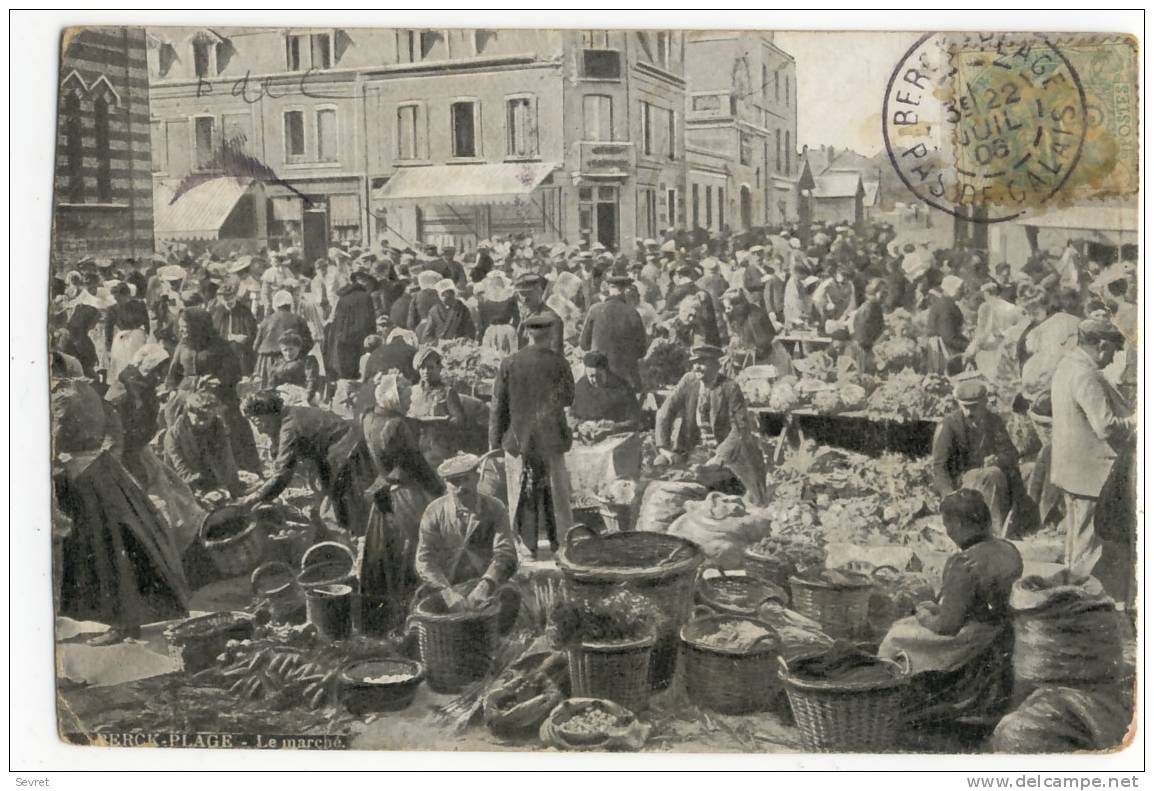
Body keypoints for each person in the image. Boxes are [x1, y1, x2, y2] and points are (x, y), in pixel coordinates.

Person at [52, 361, 189, 645]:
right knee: (120, 546)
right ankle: (125, 621)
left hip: (82, 474)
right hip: (104, 469)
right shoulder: (87, 390)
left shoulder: (63, 398)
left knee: (103, 553)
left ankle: (120, 623)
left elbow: (55, 435)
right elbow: (113, 428)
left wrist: (53, 461)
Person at [879, 489, 1022, 729]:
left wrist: (925, 615)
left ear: (957, 523)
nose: (947, 531)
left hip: (972, 640)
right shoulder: (1009, 549)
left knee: (895, 634)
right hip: (1001, 630)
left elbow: (948, 626)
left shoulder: (962, 563)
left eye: (947, 524)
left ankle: (884, 698)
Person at [1049, 318, 1135, 605]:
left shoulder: (1067, 365)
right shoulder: (1085, 374)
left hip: (1073, 468)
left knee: (1077, 542)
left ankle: (1071, 599)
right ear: (1101, 345)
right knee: (1090, 545)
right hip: (1091, 472)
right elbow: (1106, 426)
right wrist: (1136, 421)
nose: (1112, 358)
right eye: (1112, 351)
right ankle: (1082, 605)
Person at [358, 373, 444, 635]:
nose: (409, 400)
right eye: (405, 396)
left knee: (384, 556)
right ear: (393, 396)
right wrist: (441, 490)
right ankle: (414, 618)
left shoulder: (368, 418)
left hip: (384, 494)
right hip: (406, 496)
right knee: (419, 551)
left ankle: (383, 620)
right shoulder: (396, 425)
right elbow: (417, 466)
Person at [489, 313, 575, 557]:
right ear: (549, 334)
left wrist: (495, 442)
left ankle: (527, 546)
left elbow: (498, 406)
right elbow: (569, 398)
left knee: (521, 492)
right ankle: (562, 545)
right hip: (551, 439)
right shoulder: (559, 363)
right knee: (556, 494)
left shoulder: (509, 362)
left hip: (518, 440)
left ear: (526, 333)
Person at [238, 391, 373, 534]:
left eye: (259, 423)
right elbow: (280, 452)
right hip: (341, 449)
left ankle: (357, 536)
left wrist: (256, 497)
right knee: (334, 500)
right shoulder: (288, 414)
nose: (259, 431)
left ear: (269, 413)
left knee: (349, 506)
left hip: (346, 452)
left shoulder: (289, 426)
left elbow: (283, 473)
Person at [654, 344, 766, 504]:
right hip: (695, 451)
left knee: (712, 486)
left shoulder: (729, 387)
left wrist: (720, 456)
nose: (696, 367)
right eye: (694, 362)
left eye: (702, 362)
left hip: (726, 453)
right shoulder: (689, 381)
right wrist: (664, 448)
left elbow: (740, 427)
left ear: (716, 364)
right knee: (660, 468)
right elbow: (665, 412)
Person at [415, 452, 518, 610]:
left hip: (485, 583)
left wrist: (485, 585)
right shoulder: (434, 512)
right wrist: (446, 592)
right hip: (447, 585)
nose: (462, 487)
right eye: (455, 482)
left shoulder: (495, 508)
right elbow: (424, 559)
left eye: (466, 479)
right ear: (446, 485)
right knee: (420, 607)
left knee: (510, 599)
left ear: (477, 478)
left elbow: (505, 552)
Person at [931, 381, 1025, 537]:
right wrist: (948, 495)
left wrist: (997, 459)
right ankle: (993, 533)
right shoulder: (950, 424)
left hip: (991, 477)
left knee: (1020, 471)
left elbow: (1011, 453)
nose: (968, 412)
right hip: (962, 480)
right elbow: (939, 465)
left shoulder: (994, 421)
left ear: (984, 402)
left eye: (973, 407)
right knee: (992, 474)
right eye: (964, 407)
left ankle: (1020, 524)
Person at [163, 390, 243, 499]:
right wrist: (202, 491)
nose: (203, 423)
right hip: (185, 485)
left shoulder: (217, 427)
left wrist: (228, 485)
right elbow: (182, 469)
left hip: (213, 479)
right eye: (199, 418)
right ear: (188, 412)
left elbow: (226, 458)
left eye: (207, 419)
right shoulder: (174, 435)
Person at [579, 274, 648, 392]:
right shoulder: (632, 313)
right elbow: (641, 351)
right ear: (625, 290)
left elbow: (584, 344)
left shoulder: (595, 310)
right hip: (625, 378)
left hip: (599, 376)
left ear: (609, 289)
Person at [409, 346, 469, 470]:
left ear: (439, 368)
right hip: (418, 445)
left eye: (430, 368)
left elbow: (460, 420)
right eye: (422, 368)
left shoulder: (447, 392)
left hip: (439, 446)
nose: (426, 372)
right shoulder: (413, 391)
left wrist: (443, 421)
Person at [253, 290, 314, 388]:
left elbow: (256, 345)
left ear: (275, 305)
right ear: (290, 304)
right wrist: (298, 355)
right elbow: (309, 342)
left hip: (267, 360)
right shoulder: (298, 319)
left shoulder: (266, 320)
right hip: (291, 359)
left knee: (266, 391)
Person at [324, 270, 378, 381]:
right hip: (361, 341)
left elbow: (338, 321)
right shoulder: (366, 297)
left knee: (348, 375)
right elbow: (370, 321)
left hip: (344, 341)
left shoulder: (343, 299)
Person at [571, 351, 643, 431]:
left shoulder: (622, 387)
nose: (595, 380)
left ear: (607, 372)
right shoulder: (580, 387)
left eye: (598, 376)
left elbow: (636, 420)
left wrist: (615, 426)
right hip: (588, 436)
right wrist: (579, 426)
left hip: (617, 435)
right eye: (591, 376)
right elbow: (570, 417)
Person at [104, 282, 150, 389]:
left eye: (120, 298)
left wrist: (149, 338)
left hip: (137, 338)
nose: (118, 301)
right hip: (121, 340)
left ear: (127, 295)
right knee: (121, 365)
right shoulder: (112, 309)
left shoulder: (139, 305)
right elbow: (108, 329)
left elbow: (147, 323)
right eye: (116, 299)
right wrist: (108, 347)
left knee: (136, 363)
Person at [210, 280, 259, 377]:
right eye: (225, 299)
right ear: (220, 299)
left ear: (235, 296)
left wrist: (244, 338)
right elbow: (213, 333)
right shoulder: (217, 312)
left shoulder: (244, 311)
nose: (228, 302)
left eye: (230, 298)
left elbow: (253, 333)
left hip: (241, 353)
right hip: (223, 351)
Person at [924, 272, 968, 375]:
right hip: (943, 351)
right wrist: (968, 346)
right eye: (960, 290)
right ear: (952, 290)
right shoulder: (946, 308)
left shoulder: (946, 304)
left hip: (944, 346)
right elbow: (949, 337)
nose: (963, 292)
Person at [514, 273, 564, 353]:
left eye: (529, 293)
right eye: (522, 293)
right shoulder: (525, 313)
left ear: (539, 291)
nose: (525, 298)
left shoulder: (550, 317)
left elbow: (556, 354)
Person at [268, 331, 322, 403]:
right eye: (285, 350)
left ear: (298, 348)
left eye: (291, 349)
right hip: (281, 395)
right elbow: (272, 383)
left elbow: (312, 381)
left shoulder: (307, 361)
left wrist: (307, 399)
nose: (288, 353)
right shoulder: (278, 362)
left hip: (302, 395)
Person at [850, 280, 887, 373]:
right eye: (882, 292)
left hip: (871, 346)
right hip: (865, 348)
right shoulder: (867, 309)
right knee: (864, 374)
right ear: (873, 293)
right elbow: (862, 333)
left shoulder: (876, 307)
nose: (885, 296)